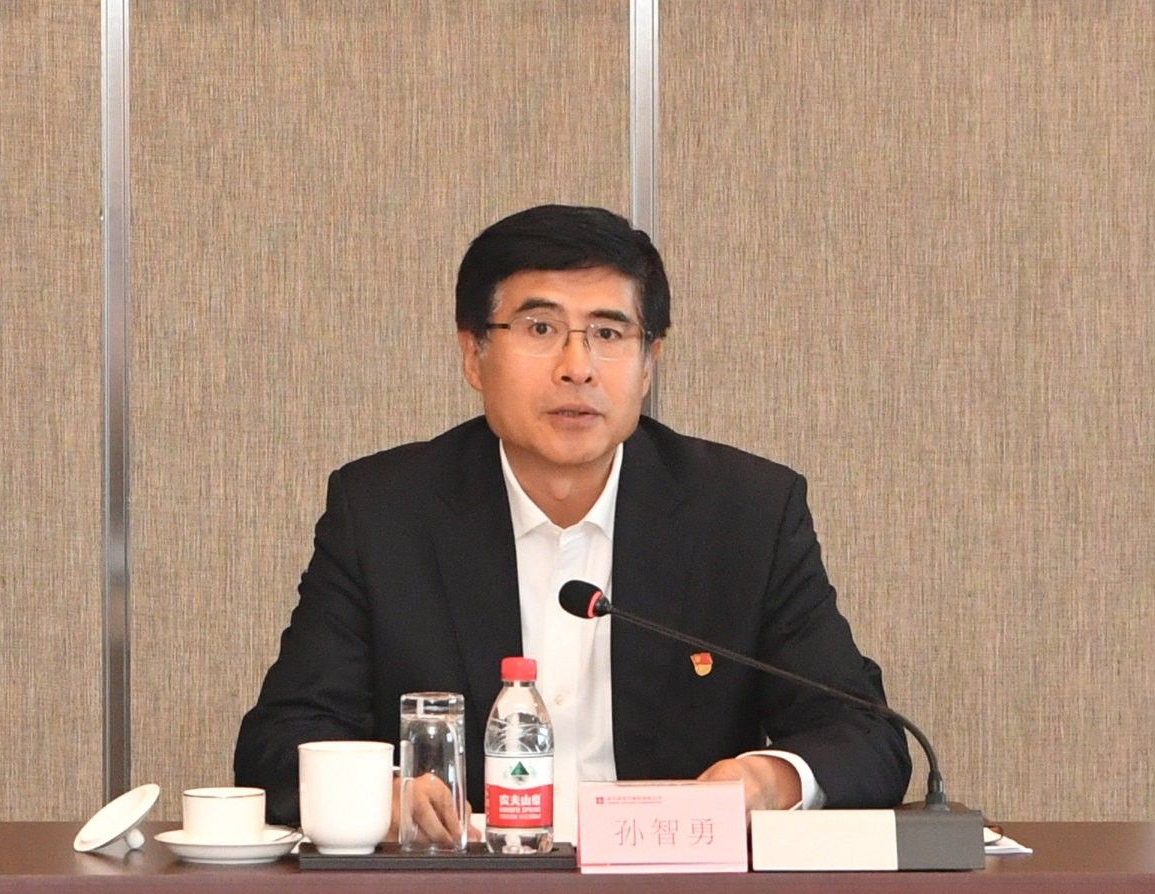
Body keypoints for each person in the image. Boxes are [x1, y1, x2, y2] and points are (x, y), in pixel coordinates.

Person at [234, 204, 911, 844]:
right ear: (473, 354)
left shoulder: (744, 514)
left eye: (609, 334)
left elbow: (865, 734)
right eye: (540, 329)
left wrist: (765, 781)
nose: (577, 368)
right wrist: (381, 795)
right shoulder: (385, 512)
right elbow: (279, 740)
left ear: (648, 365)